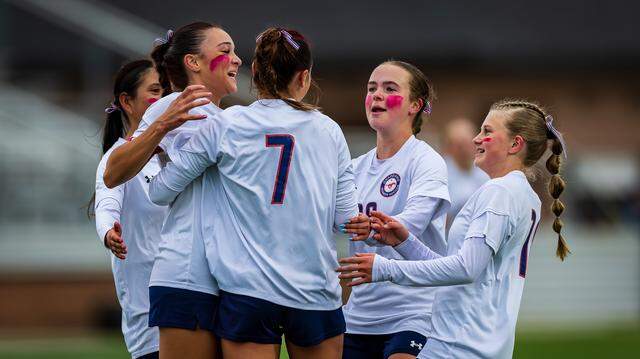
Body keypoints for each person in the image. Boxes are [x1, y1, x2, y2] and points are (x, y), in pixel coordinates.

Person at [148, 27, 369, 359]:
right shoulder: (329, 130)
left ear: (258, 75)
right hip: (314, 290)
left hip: (248, 292)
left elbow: (161, 191)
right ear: (304, 77)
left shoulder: (227, 123)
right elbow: (345, 221)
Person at [337, 99, 569, 359]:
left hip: (460, 344)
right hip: (483, 342)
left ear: (515, 144)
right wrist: (404, 242)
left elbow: (465, 269)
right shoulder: (524, 195)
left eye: (487, 132)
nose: (476, 139)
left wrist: (386, 268)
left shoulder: (499, 192)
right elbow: (460, 269)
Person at [105, 22, 242, 359]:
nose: (237, 60)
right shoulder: (171, 107)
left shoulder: (230, 118)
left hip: (231, 276)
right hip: (188, 275)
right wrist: (163, 124)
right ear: (193, 62)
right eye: (225, 51)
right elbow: (113, 173)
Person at [341, 61, 450, 359]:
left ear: (415, 105)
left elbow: (411, 223)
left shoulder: (426, 161)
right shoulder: (353, 168)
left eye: (389, 89)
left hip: (414, 312)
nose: (376, 95)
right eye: (371, 88)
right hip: (359, 317)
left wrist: (373, 229)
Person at [92, 59, 165, 359]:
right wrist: (108, 232)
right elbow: (106, 202)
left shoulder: (180, 152)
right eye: (155, 91)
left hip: (192, 300)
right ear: (127, 102)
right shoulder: (116, 160)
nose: (163, 99)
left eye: (167, 91)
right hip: (148, 310)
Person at [442, 118, 488, 224]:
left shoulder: (485, 171)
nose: (465, 149)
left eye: (468, 143)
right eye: (459, 145)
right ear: (449, 147)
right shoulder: (440, 173)